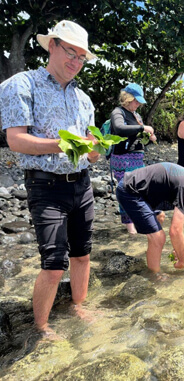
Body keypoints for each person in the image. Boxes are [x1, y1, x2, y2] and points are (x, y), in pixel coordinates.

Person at [0, 20, 100, 336]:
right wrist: (64, 143)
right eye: (71, 52)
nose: (76, 62)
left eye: (82, 57)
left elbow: (92, 154)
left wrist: (96, 148)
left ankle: (77, 306)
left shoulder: (84, 100)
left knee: (82, 255)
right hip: (45, 185)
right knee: (54, 265)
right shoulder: (21, 85)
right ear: (52, 45)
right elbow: (16, 140)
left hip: (82, 184)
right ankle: (41, 328)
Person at [115, 163, 184, 272]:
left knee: (160, 217)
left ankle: (153, 250)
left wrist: (177, 248)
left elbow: (178, 227)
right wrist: (182, 259)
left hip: (142, 191)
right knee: (159, 238)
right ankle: (155, 277)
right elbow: (175, 230)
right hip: (130, 191)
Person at [109, 83, 157, 234]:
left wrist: (150, 137)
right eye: (136, 101)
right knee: (127, 190)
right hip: (122, 158)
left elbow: (139, 137)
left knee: (139, 191)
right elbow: (119, 129)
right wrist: (143, 128)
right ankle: (130, 227)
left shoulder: (137, 116)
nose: (138, 104)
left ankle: (136, 221)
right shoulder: (118, 112)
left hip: (137, 160)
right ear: (127, 98)